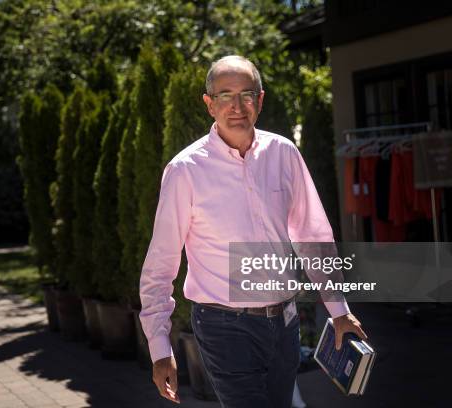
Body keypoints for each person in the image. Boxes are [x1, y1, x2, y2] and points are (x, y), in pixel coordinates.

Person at [139, 56, 367, 407]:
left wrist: (339, 309)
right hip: (223, 327)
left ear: (260, 100)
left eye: (247, 94)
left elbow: (313, 234)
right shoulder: (184, 170)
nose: (237, 106)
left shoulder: (283, 153)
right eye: (225, 95)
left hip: (284, 324)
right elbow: (161, 263)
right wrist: (159, 346)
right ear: (209, 103)